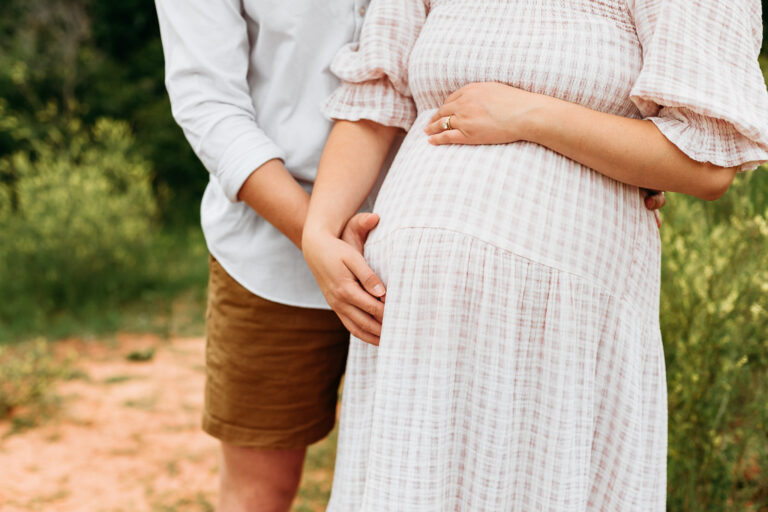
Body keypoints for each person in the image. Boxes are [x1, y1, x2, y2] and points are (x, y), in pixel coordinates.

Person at [302, 0, 768, 510]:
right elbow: (377, 94)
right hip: (412, 322)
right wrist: (319, 230)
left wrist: (529, 114)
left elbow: (706, 162)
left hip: (562, 329)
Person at [153, 1, 391, 510]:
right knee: (259, 493)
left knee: (424, 481)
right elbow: (207, 101)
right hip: (269, 253)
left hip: (421, 241)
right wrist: (319, 236)